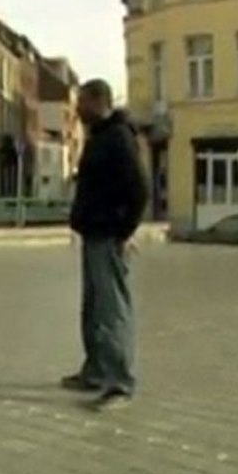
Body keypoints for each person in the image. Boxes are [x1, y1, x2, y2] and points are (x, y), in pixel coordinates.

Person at [64, 79, 149, 410]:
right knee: (94, 308)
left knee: (112, 311)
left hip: (109, 236)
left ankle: (120, 383)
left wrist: (125, 232)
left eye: (82, 104)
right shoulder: (100, 136)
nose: (77, 111)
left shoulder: (118, 138)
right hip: (93, 234)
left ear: (99, 102)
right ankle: (96, 370)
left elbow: (139, 190)